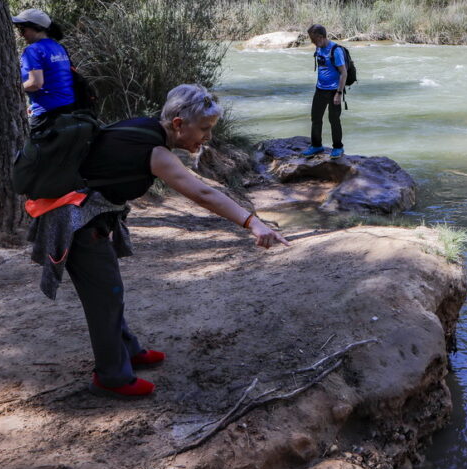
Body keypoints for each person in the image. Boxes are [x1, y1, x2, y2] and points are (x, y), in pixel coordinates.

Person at [27, 84, 289, 399]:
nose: (208, 137)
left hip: (88, 217)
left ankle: (129, 350)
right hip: (72, 220)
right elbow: (203, 193)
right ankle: (111, 378)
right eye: (204, 129)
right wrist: (252, 222)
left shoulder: (145, 127)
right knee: (105, 295)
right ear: (178, 125)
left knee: (109, 290)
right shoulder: (155, 151)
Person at [13, 7, 75, 130]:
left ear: (36, 27)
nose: (21, 34)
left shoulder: (33, 50)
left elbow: (36, 84)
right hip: (69, 109)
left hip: (47, 115)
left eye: (23, 30)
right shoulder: (58, 47)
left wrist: (12, 88)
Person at [302, 23, 347, 158]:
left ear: (321, 37)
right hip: (320, 89)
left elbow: (343, 73)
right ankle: (316, 145)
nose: (312, 42)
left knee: (334, 120)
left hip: (334, 91)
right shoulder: (319, 47)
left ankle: (338, 148)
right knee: (315, 118)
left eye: (314, 39)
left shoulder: (335, 51)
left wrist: (339, 94)